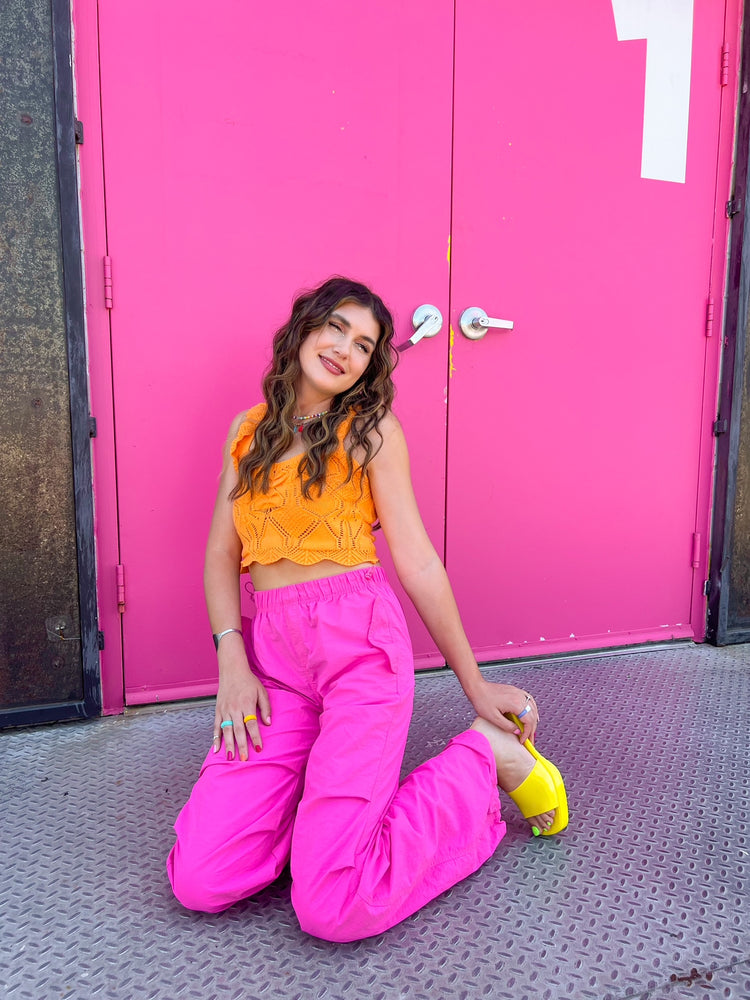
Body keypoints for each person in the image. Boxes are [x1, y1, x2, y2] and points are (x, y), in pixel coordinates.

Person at [167, 276, 567, 942]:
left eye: (363, 345)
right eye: (335, 327)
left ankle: (484, 760)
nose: (344, 349)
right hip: (274, 661)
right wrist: (231, 662)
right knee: (200, 879)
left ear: (368, 368)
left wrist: (475, 684)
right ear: (303, 326)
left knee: (333, 907)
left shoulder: (370, 431)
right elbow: (218, 556)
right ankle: (318, 818)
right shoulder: (248, 432)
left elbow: (418, 564)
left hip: (361, 651)